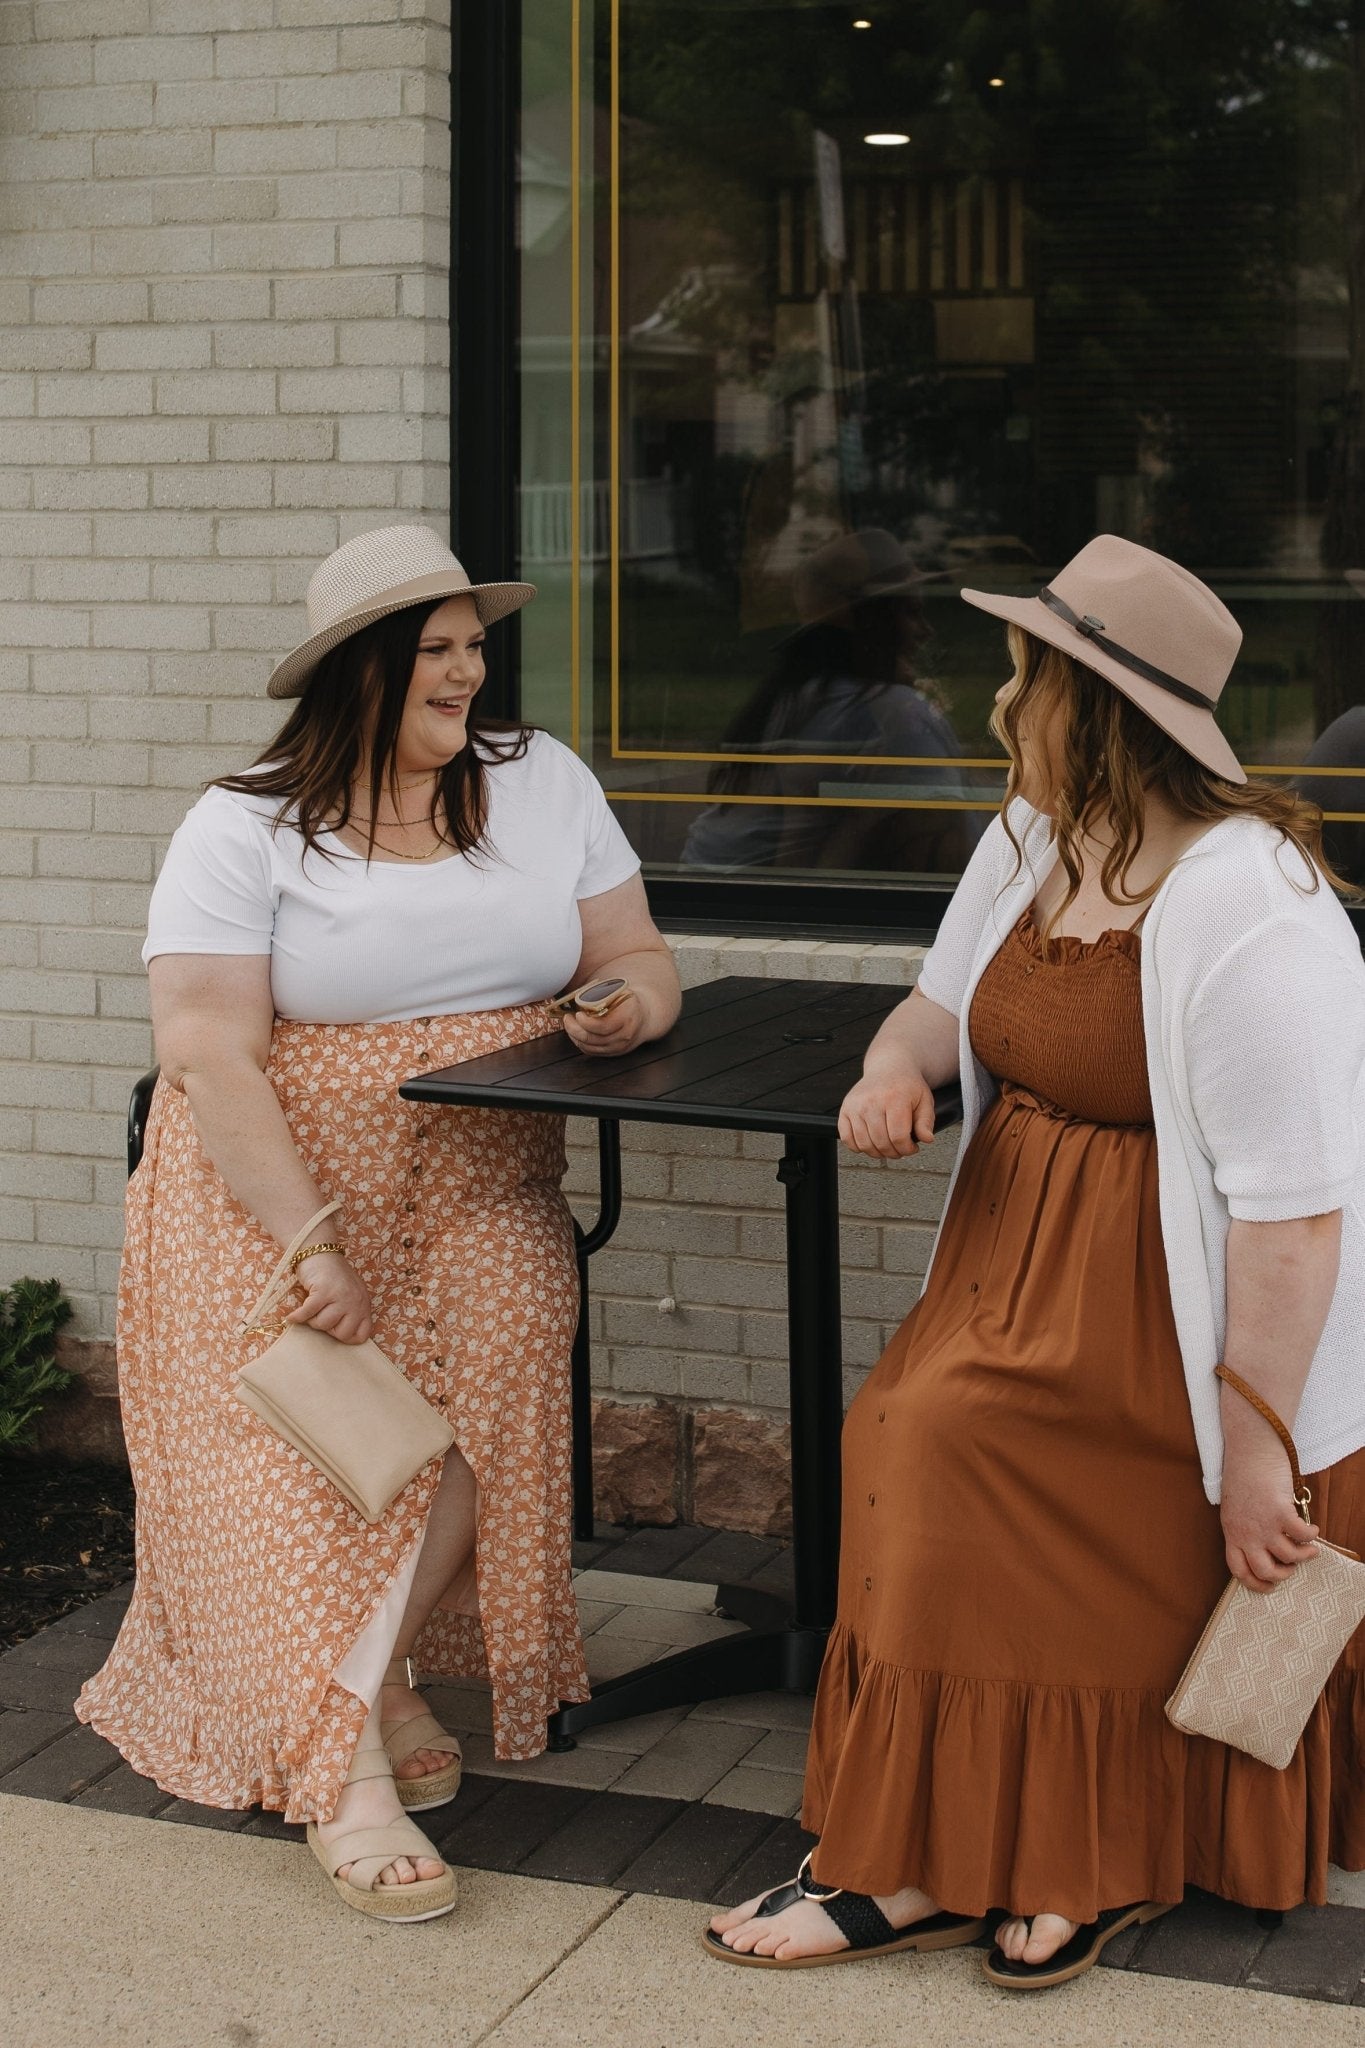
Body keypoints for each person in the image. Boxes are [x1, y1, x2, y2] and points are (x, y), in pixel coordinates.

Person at [705, 533, 1365, 1985]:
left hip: (1178, 1320)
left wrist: (1259, 1446)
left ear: (1097, 707)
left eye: (1026, 677)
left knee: (959, 1447)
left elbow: (1298, 1214)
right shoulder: (1030, 833)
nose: (1000, 703)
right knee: (904, 1433)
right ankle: (922, 1853)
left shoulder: (1256, 904)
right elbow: (936, 1007)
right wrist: (892, 1069)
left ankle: (1075, 1851)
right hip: (1008, 1266)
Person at [77, 524, 681, 1923]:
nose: (469, 673)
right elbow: (207, 1050)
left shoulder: (540, 781)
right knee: (307, 1459)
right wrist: (314, 1246)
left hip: (482, 1177)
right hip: (274, 1189)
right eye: (437, 650)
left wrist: (627, 1007)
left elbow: (638, 953)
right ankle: (351, 1755)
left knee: (488, 1408)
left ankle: (349, 1694)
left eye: (475, 646)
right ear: (362, 669)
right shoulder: (242, 824)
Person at [682, 529, 982, 876]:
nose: (926, 631)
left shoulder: (796, 698)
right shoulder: (894, 713)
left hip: (707, 886)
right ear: (874, 623)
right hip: (749, 897)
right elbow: (961, 859)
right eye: (912, 613)